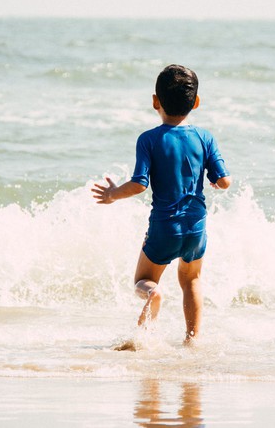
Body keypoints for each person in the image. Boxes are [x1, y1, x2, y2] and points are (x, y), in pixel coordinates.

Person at [92, 64, 231, 345]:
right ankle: (192, 340)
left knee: (143, 281)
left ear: (155, 101)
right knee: (191, 280)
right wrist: (216, 182)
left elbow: (140, 184)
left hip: (164, 227)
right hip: (196, 226)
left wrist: (113, 193)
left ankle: (152, 301)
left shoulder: (149, 139)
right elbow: (225, 180)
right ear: (197, 102)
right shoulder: (205, 138)